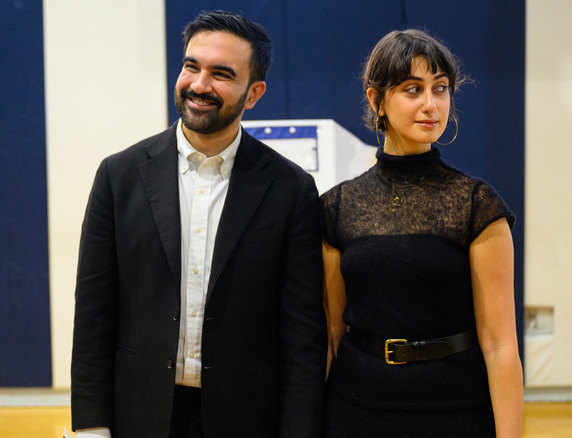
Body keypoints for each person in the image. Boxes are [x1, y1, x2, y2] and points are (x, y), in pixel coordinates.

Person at [71, 10, 327, 438]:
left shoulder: (291, 189)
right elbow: (94, 316)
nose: (199, 85)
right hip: (140, 414)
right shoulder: (119, 176)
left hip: (246, 419)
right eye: (192, 66)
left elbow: (302, 336)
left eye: (222, 74)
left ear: (254, 93)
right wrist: (92, 428)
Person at [321, 29, 523, 437]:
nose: (432, 105)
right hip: (356, 410)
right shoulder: (337, 206)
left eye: (441, 89)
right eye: (412, 89)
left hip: (456, 411)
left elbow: (500, 346)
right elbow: (331, 335)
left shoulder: (477, 204)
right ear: (376, 99)